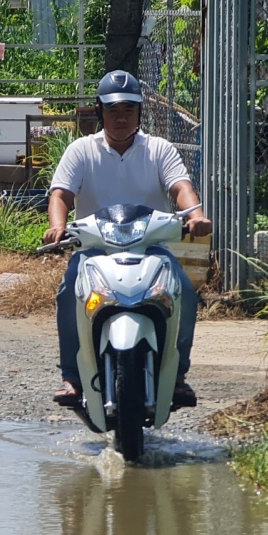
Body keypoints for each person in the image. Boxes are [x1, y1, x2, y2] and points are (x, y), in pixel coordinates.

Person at [43, 70, 212, 407]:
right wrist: (58, 225)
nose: (121, 118)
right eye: (113, 110)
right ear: (100, 112)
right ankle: (72, 377)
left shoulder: (159, 149)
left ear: (139, 113)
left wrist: (194, 215)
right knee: (68, 293)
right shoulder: (81, 151)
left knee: (185, 294)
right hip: (93, 249)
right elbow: (60, 195)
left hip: (153, 249)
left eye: (129, 110)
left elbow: (181, 187)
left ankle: (177, 376)